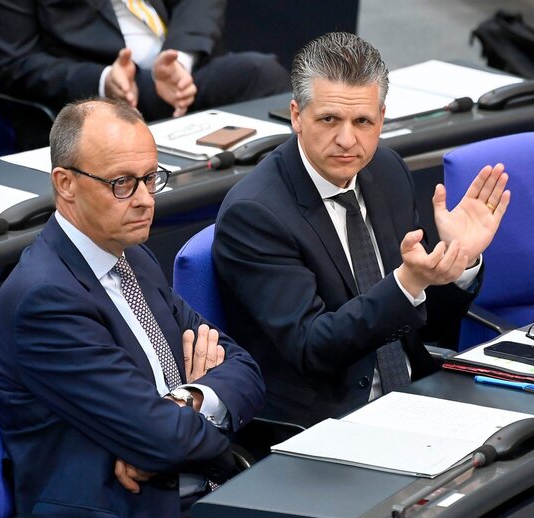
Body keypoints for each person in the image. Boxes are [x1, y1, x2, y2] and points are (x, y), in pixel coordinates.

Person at [0, 98, 264, 518]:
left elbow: (244, 367)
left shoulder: (132, 257)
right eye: (121, 183)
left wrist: (187, 398)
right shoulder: (45, 301)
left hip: (199, 491)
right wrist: (169, 432)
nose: (144, 200)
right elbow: (163, 439)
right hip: (130, 514)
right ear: (66, 184)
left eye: (150, 178)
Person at [212, 32, 510, 428]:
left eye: (363, 121)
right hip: (323, 422)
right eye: (329, 119)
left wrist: (459, 262)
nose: (347, 139)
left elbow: (423, 323)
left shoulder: (387, 172)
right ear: (297, 116)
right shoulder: (255, 214)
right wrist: (406, 283)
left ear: (382, 119)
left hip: (414, 395)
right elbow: (313, 347)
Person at [0, 0, 289, 122]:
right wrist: (106, 80)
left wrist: (179, 61)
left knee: (261, 74)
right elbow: (18, 64)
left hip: (179, 70)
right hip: (96, 100)